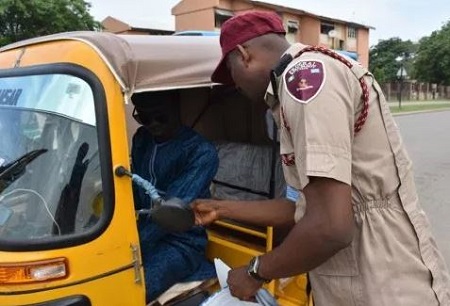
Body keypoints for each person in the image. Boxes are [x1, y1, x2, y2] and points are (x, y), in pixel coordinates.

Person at [191, 11, 450, 305]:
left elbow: (330, 227)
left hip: (379, 279)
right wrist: (221, 208)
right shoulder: (297, 84)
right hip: (364, 274)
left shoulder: (304, 81)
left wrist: (255, 272)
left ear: (243, 54)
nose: (234, 85)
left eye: (230, 72)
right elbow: (299, 208)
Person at [131, 90, 218, 303]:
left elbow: (170, 214)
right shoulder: (142, 139)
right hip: (138, 237)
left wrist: (131, 250)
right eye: (144, 117)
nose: (153, 124)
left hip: (181, 243)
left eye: (160, 116)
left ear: (176, 108)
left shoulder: (201, 152)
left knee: (129, 290)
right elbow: (132, 188)